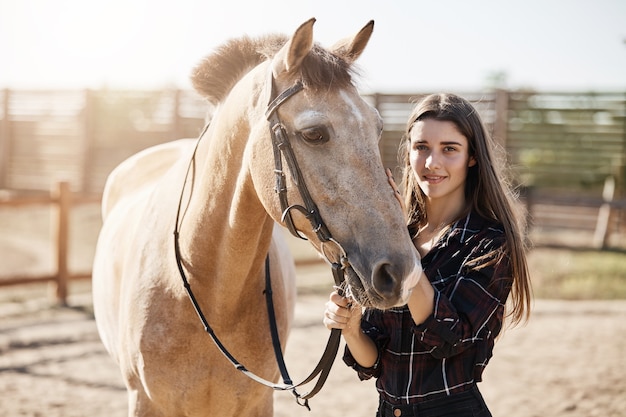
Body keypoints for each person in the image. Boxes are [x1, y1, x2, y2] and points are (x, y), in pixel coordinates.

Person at [324, 93, 532, 417]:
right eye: (421, 147)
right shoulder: (401, 238)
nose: (432, 163)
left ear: (472, 156)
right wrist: (351, 329)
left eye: (449, 149)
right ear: (409, 152)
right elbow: (374, 361)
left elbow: (448, 337)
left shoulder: (489, 243)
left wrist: (397, 241)